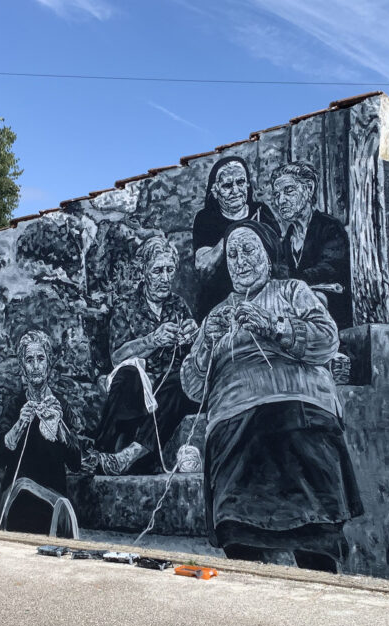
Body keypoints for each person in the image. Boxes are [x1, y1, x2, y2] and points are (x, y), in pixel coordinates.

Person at [180, 219, 364, 572]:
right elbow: (191, 386)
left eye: (248, 250)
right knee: (241, 532)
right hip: (234, 424)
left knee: (313, 528)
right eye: (232, 254)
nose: (239, 260)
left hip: (297, 410)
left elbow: (327, 339)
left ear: (268, 254)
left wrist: (272, 326)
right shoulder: (218, 315)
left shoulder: (293, 290)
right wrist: (206, 340)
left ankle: (319, 574)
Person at [95, 235, 199, 475]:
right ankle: (102, 450)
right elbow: (117, 357)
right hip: (138, 389)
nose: (165, 278)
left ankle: (129, 454)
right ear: (143, 272)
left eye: (170, 270)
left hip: (172, 389)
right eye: (157, 271)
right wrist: (152, 340)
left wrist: (194, 335)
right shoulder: (126, 306)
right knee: (128, 374)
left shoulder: (179, 305)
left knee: (178, 381)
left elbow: (194, 359)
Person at [0, 330, 81, 536]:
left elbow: (75, 462)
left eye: (40, 359)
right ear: (22, 368)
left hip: (53, 496)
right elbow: (1, 458)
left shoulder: (60, 404)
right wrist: (19, 424)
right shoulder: (14, 405)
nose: (35, 366)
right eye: (29, 360)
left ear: (49, 364)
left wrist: (59, 425)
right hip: (18, 495)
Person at [192, 156, 277, 320]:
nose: (236, 190)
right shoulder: (206, 219)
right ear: (215, 192)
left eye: (240, 182)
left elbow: (278, 256)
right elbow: (203, 268)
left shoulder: (261, 211)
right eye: (227, 185)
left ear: (247, 184)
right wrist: (232, 234)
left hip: (262, 298)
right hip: (219, 302)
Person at [270, 161, 353, 329]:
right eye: (277, 195)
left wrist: (292, 283)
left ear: (308, 188)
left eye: (289, 191)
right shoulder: (286, 242)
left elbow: (330, 268)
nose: (281, 201)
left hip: (332, 309)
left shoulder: (329, 227)